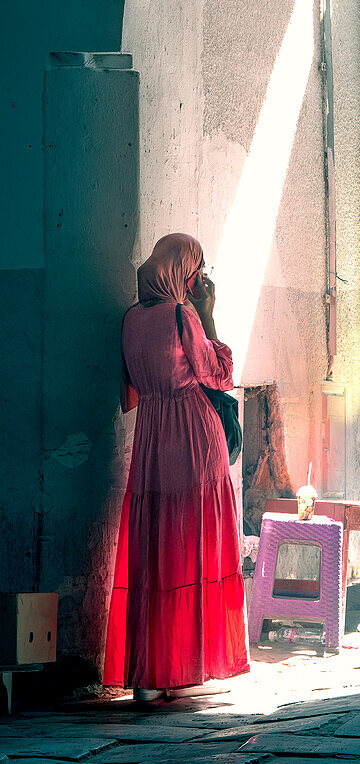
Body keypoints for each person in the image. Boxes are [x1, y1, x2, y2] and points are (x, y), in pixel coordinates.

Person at [103, 233, 249, 701]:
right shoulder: (183, 315)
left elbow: (131, 390)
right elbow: (220, 374)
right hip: (192, 437)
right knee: (193, 546)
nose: (199, 279)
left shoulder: (129, 319)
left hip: (151, 440)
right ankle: (186, 667)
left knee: (155, 550)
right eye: (197, 269)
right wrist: (208, 312)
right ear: (185, 270)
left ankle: (148, 675)